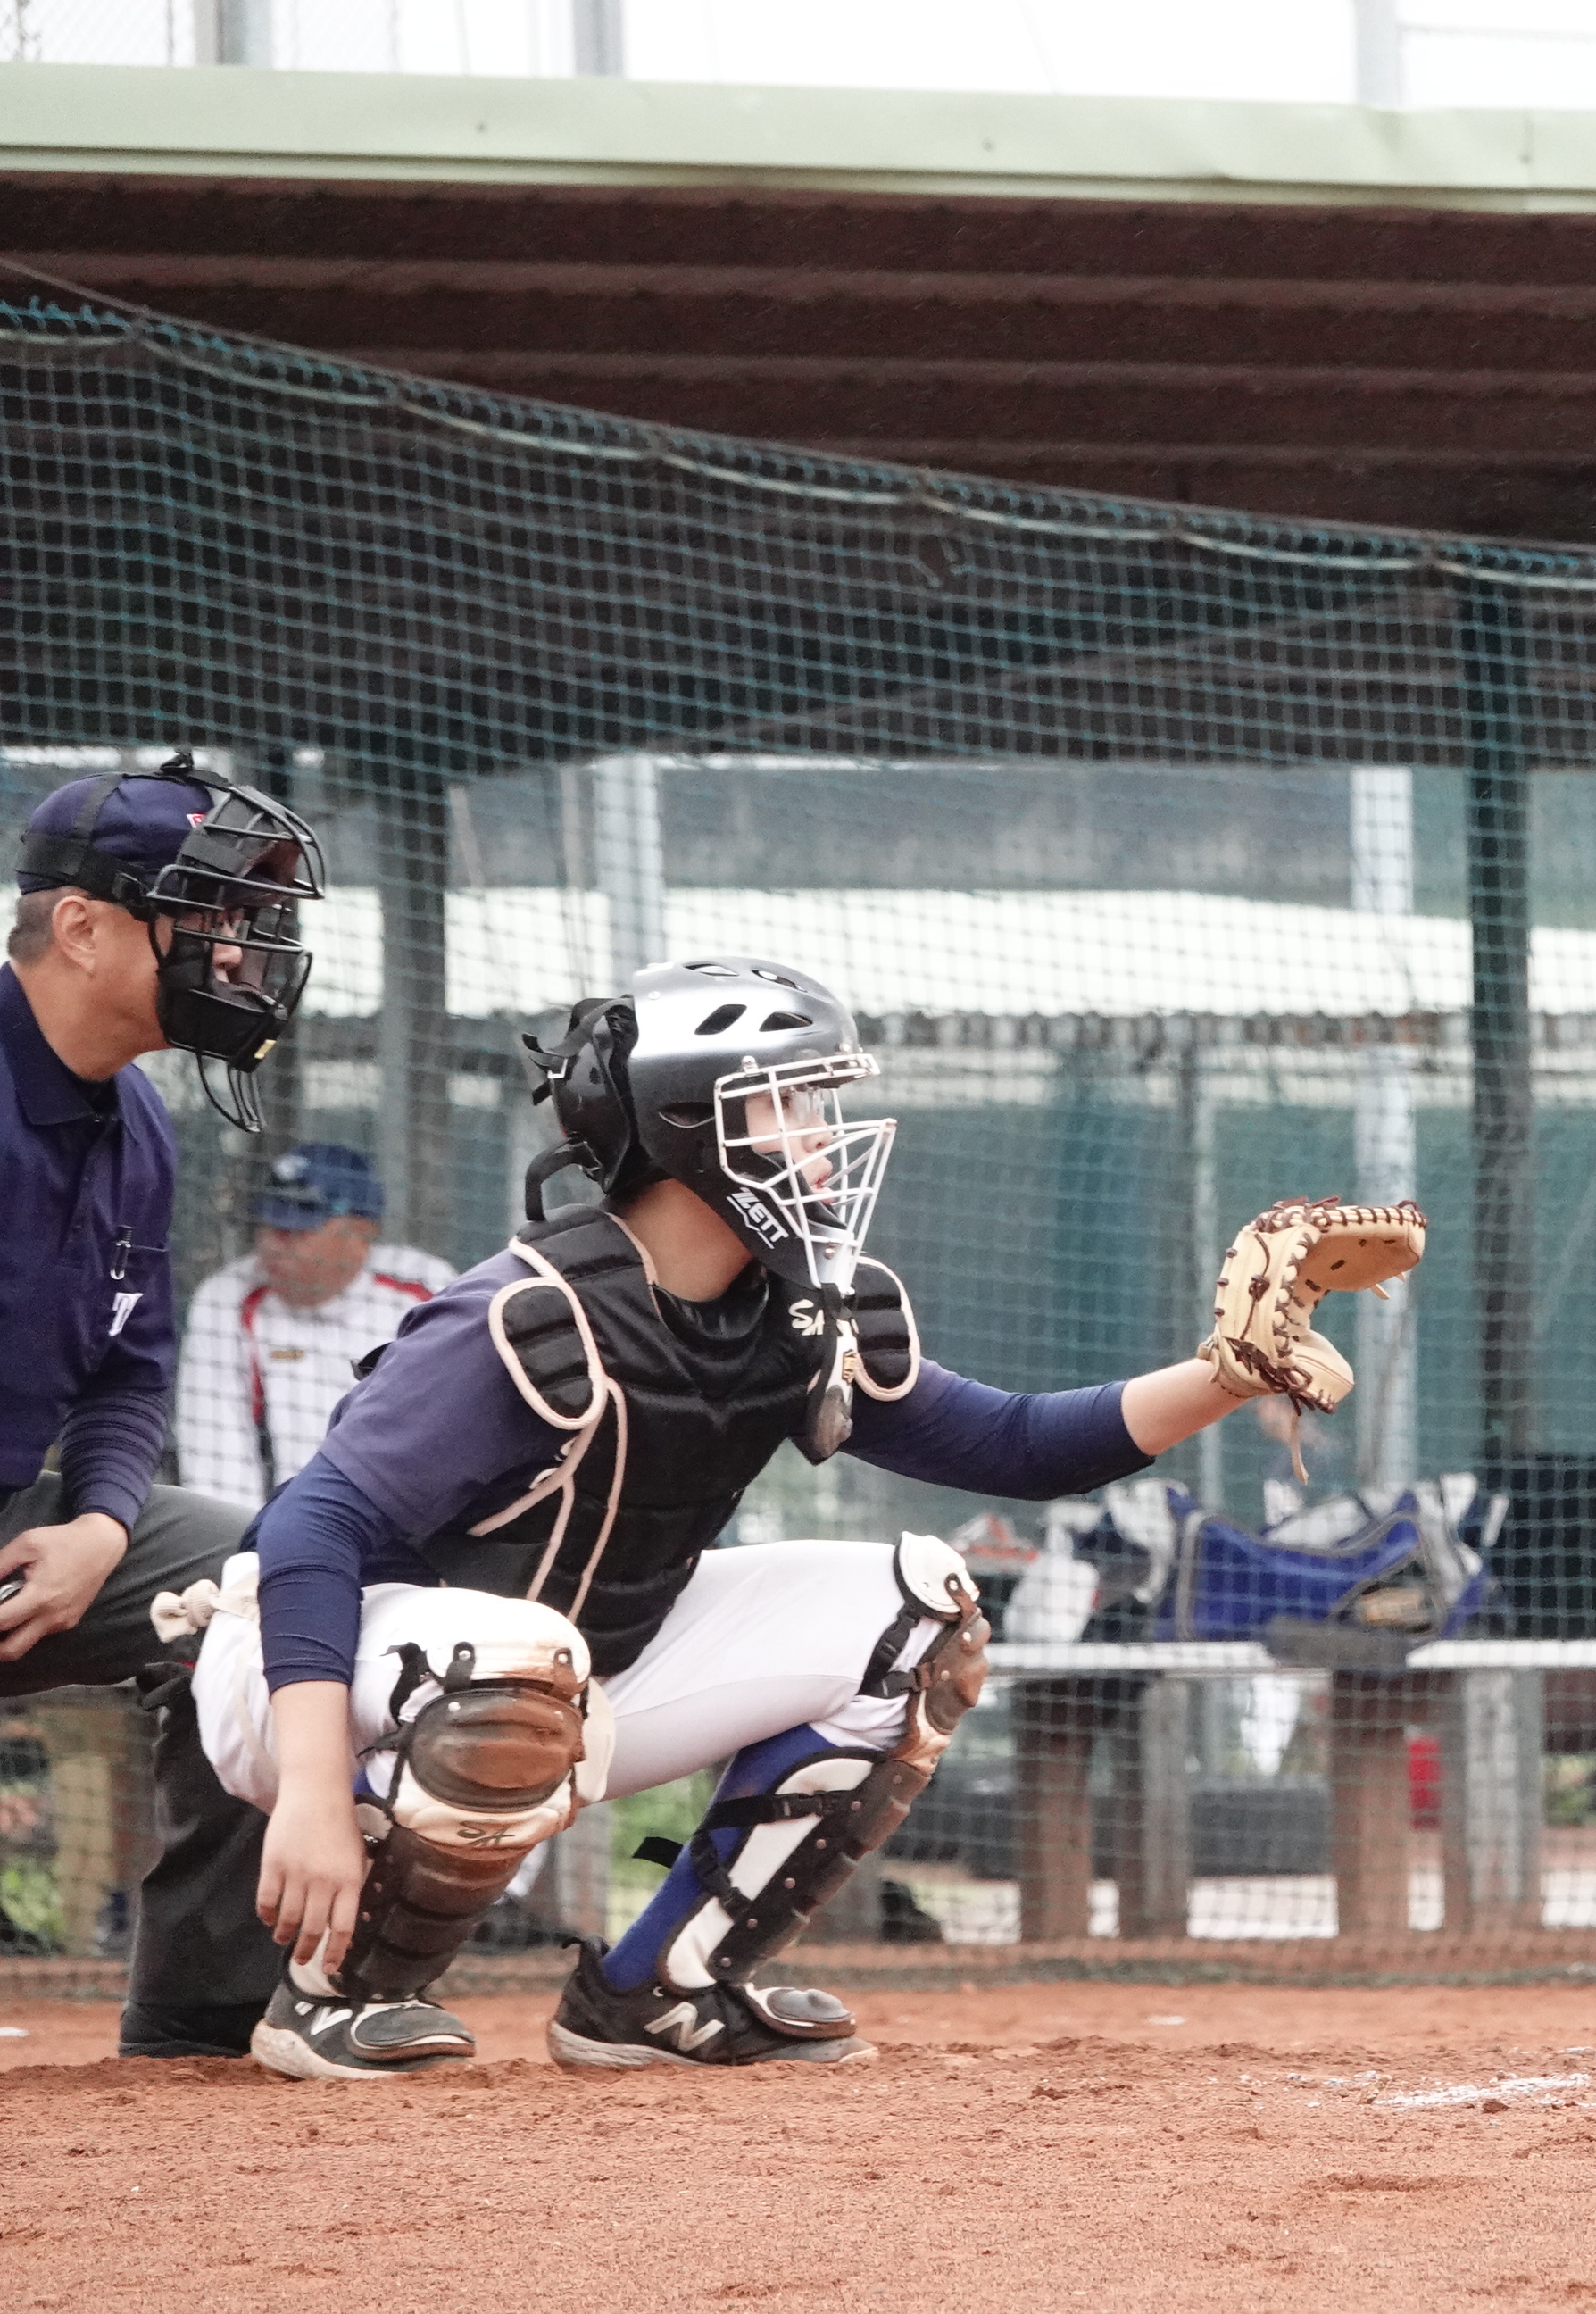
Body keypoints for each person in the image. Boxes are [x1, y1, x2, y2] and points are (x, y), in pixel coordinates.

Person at [182, 955, 1415, 2080]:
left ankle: (662, 1991)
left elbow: (1016, 1447)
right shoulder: (525, 1318)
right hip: (307, 1675)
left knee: (919, 1615)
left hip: (562, 1676)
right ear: (686, 1127)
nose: (824, 1135)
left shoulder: (801, 1312)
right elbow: (308, 1533)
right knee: (519, 1657)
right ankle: (340, 1993)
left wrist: (1228, 1372)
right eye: (787, 1104)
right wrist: (311, 1789)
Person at [0, 753, 325, 2057]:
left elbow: (132, 1368)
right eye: (205, 914)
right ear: (81, 927)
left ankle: (199, 2022)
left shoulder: (139, 1121)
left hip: (24, 1520)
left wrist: (99, 1526)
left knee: (264, 1581)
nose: (237, 949)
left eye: (244, 919)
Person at [178, 1143, 454, 1507]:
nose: (273, 1245)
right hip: (287, 1523)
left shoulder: (426, 1289)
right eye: (269, 1225)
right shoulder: (228, 1297)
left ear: (362, 1232)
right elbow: (216, 1463)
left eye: (297, 1231)